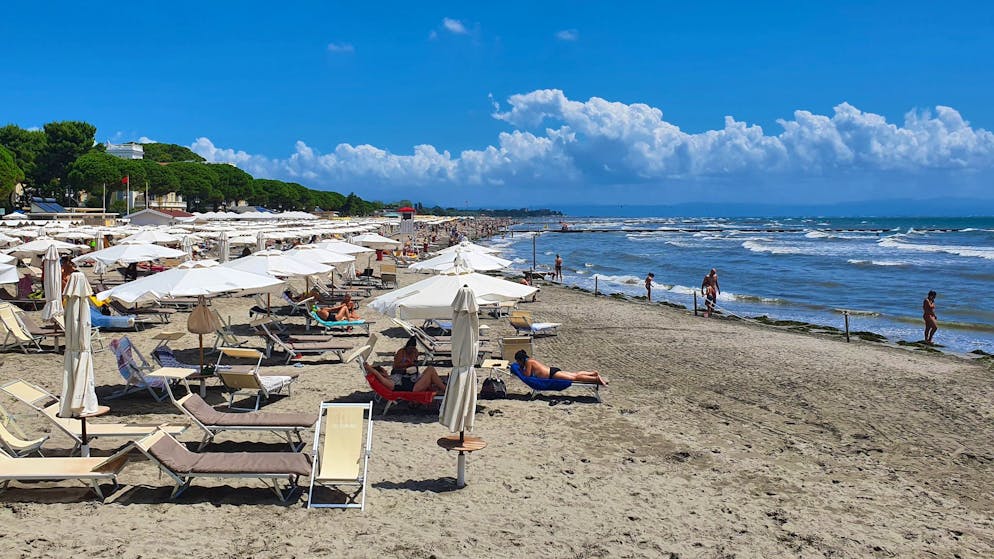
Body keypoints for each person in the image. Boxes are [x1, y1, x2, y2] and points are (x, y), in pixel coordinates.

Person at [513, 350, 608, 386]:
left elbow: (527, 375)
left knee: (574, 378)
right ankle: (592, 373)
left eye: (518, 361)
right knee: (575, 374)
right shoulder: (530, 360)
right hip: (552, 371)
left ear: (521, 360)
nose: (518, 363)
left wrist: (520, 369)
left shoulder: (529, 362)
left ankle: (595, 379)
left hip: (552, 374)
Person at [363, 361, 446, 393]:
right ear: (382, 374)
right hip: (414, 388)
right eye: (384, 370)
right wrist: (370, 368)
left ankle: (442, 386)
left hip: (414, 383)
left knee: (429, 370)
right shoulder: (389, 382)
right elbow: (378, 375)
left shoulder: (390, 378)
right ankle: (445, 390)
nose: (386, 370)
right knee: (431, 369)